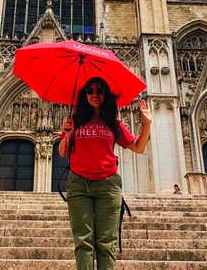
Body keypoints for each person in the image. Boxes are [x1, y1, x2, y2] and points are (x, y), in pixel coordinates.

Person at [58, 76, 152, 270]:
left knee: (106, 243)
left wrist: (147, 123)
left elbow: (138, 147)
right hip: (78, 184)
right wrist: (67, 134)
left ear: (106, 95)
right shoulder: (74, 120)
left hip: (107, 185)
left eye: (100, 91)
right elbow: (62, 152)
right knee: (83, 242)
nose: (95, 94)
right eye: (90, 90)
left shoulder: (113, 123)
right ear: (84, 95)